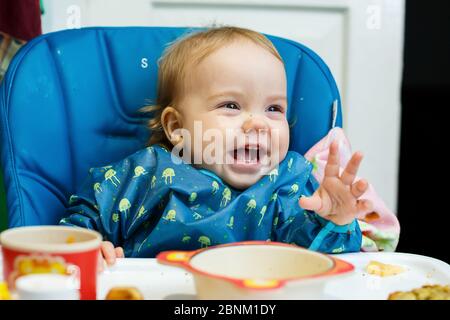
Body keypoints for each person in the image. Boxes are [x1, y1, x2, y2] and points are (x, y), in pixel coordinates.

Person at [60, 26, 400, 266]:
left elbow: (325, 265)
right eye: (231, 106)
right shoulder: (145, 173)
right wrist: (87, 247)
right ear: (177, 128)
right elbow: (80, 222)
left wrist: (335, 221)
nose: (257, 123)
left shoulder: (291, 183)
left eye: (274, 109)